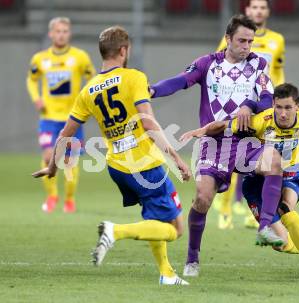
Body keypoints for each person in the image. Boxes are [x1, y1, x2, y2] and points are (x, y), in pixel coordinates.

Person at [32, 26, 191, 285]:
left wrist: (52, 168)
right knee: (175, 228)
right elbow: (148, 123)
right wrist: (177, 158)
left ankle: (166, 273)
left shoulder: (88, 90)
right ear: (123, 50)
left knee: (153, 217)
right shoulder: (134, 77)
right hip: (145, 164)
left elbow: (65, 135)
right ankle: (115, 231)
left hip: (118, 166)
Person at [150, 14, 285, 277]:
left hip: (245, 141)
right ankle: (192, 258)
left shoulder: (259, 64)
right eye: (242, 41)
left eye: (251, 41)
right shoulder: (207, 63)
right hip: (213, 142)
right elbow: (180, 81)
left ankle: (264, 227)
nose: (247, 46)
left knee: (275, 162)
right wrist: (153, 90)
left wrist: (250, 105)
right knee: (202, 198)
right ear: (227, 39)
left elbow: (268, 99)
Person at [180, 83, 299, 279]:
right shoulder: (261, 120)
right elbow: (224, 125)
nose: (283, 113)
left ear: (298, 107)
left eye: (288, 108)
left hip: (290, 172)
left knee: (286, 209)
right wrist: (200, 130)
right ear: (273, 105)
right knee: (282, 243)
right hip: (257, 179)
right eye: (279, 107)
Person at [216, 0, 286, 229]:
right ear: (247, 11)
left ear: (267, 11)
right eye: (254, 7)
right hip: (239, 104)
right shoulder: (234, 38)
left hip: (264, 105)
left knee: (263, 159)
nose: (258, 11)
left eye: (262, 7)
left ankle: (252, 212)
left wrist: (281, 95)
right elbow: (219, 65)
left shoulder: (277, 40)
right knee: (236, 156)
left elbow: (277, 70)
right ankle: (224, 209)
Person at [27, 17, 96, 213]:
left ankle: (69, 200)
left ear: (70, 33)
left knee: (69, 161)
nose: (61, 34)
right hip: (48, 116)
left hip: (73, 118)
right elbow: (31, 80)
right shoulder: (40, 59)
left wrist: (87, 100)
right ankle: (51, 196)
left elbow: (92, 79)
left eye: (65, 31)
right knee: (49, 154)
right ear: (51, 34)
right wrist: (36, 98)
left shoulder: (80, 57)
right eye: (58, 31)